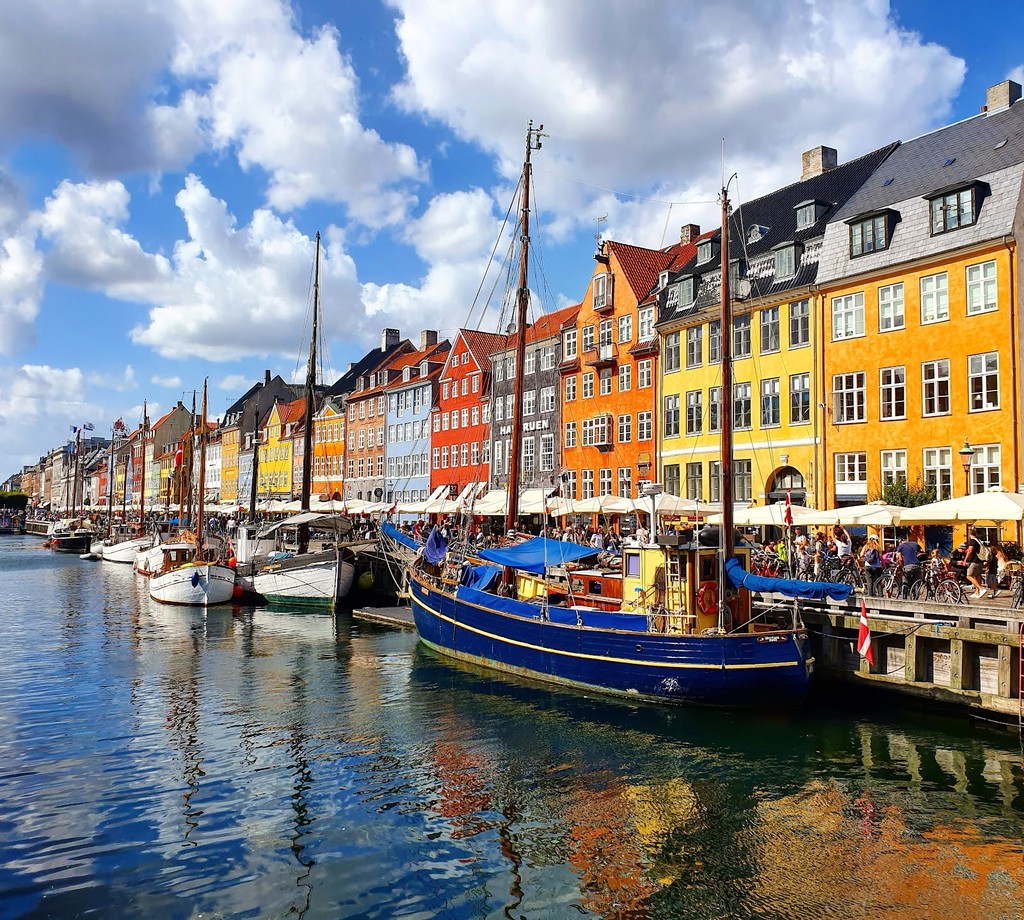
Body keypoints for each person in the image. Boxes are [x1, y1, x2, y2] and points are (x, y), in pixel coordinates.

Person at [964, 525, 986, 598]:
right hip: (981, 561)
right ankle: (977, 593)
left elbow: (970, 551)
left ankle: (981, 589)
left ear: (969, 534)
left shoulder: (972, 541)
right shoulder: (978, 540)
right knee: (977, 576)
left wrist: (965, 560)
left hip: (975, 561)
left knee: (968, 576)